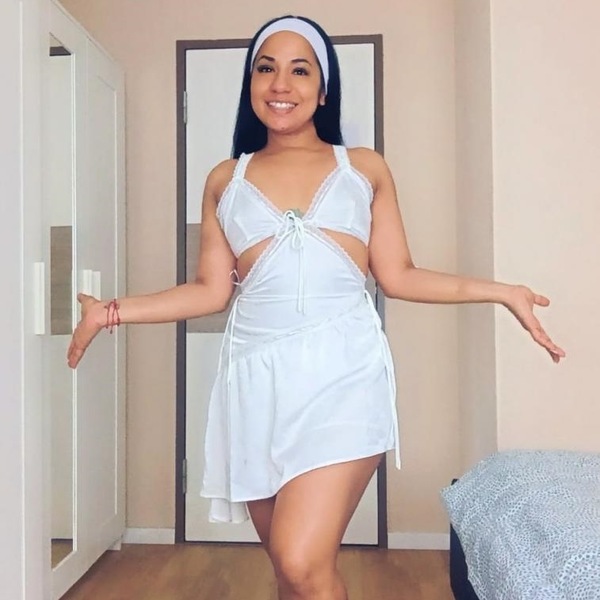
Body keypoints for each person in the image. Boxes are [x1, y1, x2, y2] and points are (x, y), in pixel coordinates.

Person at [67, 15, 565, 600]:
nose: (281, 84)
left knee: (301, 561)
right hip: (254, 384)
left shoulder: (364, 168)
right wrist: (110, 311)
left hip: (344, 376)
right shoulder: (226, 179)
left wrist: (501, 292)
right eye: (266, 68)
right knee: (290, 571)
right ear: (251, 83)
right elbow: (209, 290)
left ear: (323, 90)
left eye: (300, 70)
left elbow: (399, 275)